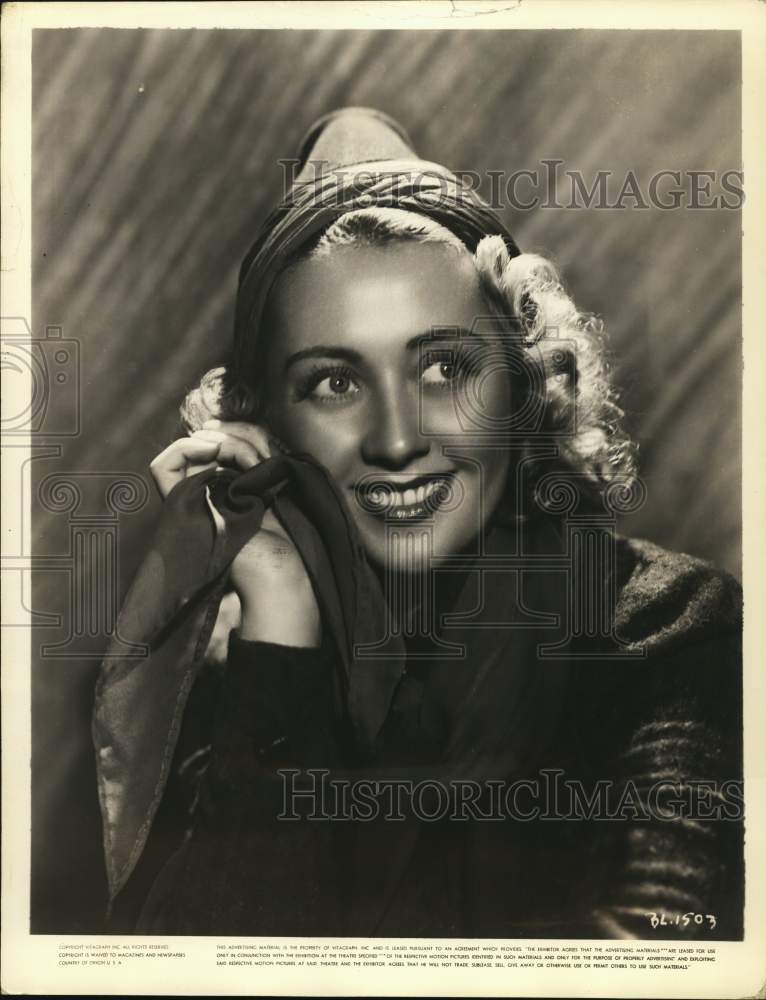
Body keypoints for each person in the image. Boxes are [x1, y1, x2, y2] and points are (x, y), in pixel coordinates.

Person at [93, 108, 743, 939]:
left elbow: (667, 968)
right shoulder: (242, 676)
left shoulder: (675, 632)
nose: (398, 442)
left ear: (523, 381)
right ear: (269, 426)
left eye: (444, 368)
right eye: (333, 383)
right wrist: (284, 622)